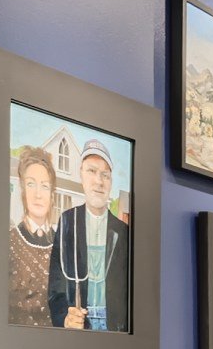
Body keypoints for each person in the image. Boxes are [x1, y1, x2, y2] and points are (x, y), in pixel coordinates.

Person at [49, 139, 131, 332]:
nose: (99, 181)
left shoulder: (123, 231)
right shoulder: (69, 221)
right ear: (81, 175)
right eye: (92, 171)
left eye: (105, 175)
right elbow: (56, 285)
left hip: (113, 329)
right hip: (79, 328)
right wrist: (65, 318)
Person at [7, 146, 57, 327]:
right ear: (22, 190)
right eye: (31, 184)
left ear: (52, 195)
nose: (38, 194)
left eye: (44, 186)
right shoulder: (9, 243)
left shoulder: (64, 245)